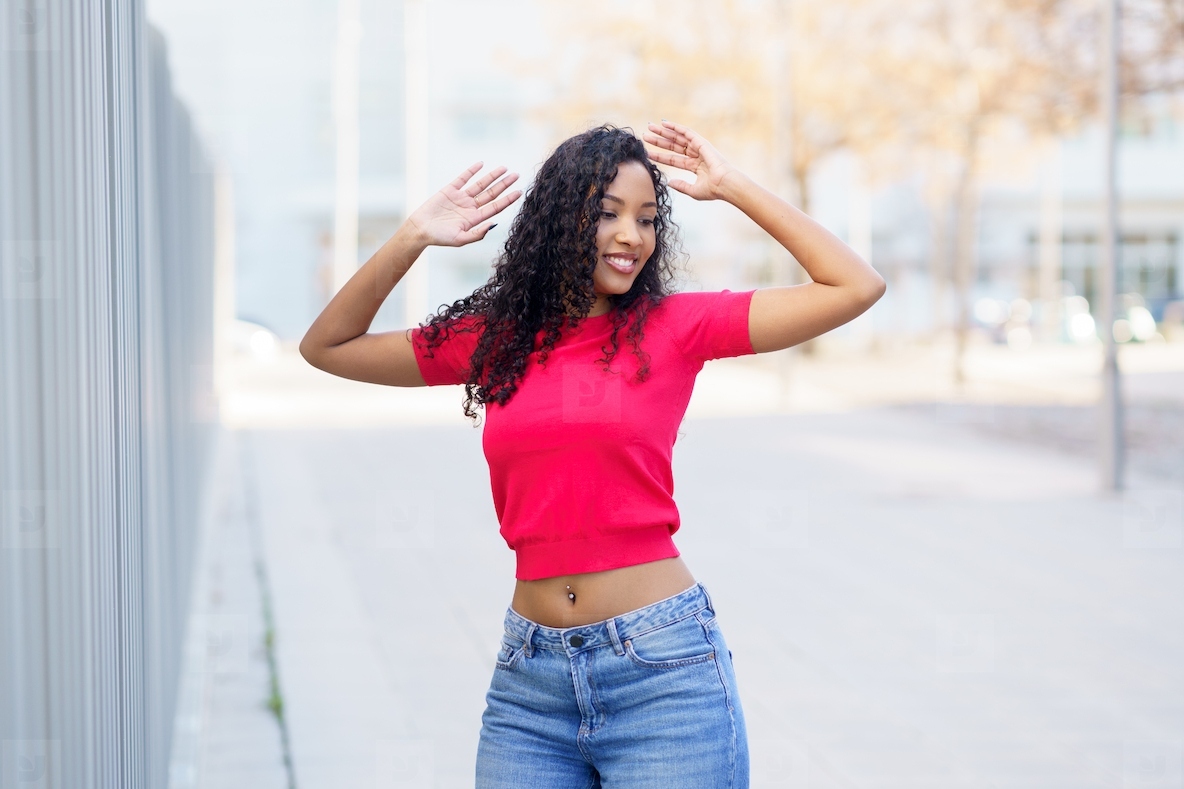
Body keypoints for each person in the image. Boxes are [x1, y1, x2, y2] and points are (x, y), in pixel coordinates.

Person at [300, 120, 885, 788]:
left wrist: (732, 187)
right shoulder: (498, 340)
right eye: (607, 214)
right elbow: (329, 346)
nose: (631, 236)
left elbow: (854, 287)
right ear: (559, 219)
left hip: (663, 675)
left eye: (647, 218)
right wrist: (413, 236)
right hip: (531, 685)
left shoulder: (677, 327)